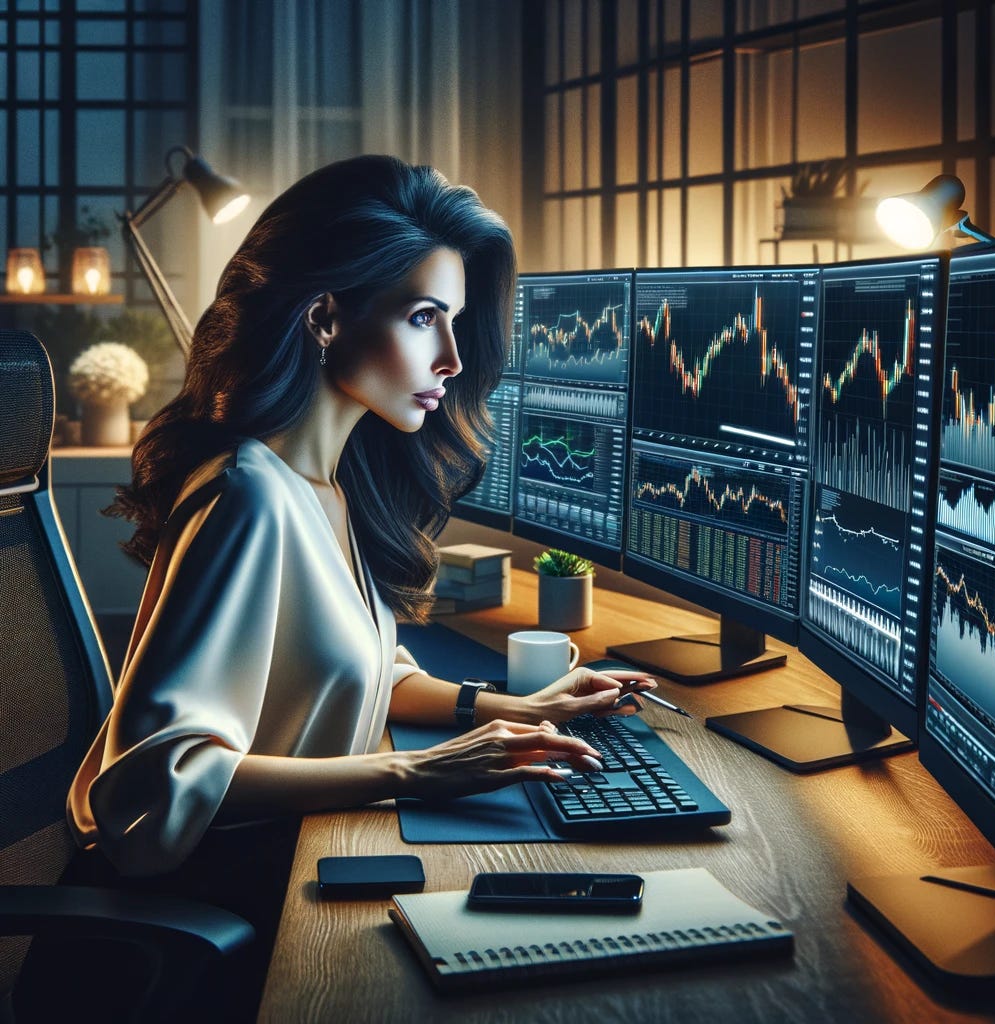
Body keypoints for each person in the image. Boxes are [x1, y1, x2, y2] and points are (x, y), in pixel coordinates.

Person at [61, 155, 653, 1019]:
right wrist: (414, 774)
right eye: (423, 318)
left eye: (451, 321)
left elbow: (365, 674)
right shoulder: (249, 497)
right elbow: (156, 784)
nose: (451, 357)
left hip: (299, 866)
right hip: (205, 927)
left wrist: (518, 714)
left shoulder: (327, 489)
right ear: (327, 317)